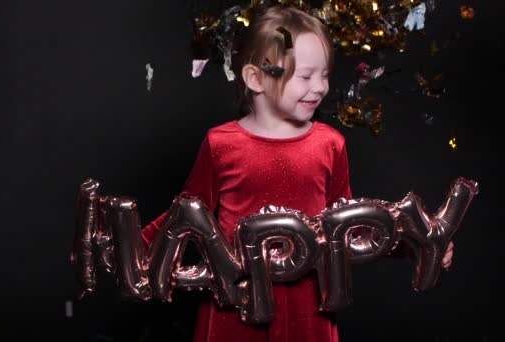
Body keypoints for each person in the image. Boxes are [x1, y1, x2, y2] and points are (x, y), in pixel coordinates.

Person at [141, 4, 453, 342]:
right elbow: (185, 211)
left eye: (324, 74)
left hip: (308, 306)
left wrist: (412, 243)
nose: (320, 87)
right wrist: (134, 244)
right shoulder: (221, 144)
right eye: (305, 76)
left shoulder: (330, 144)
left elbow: (351, 226)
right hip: (236, 303)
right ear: (256, 78)